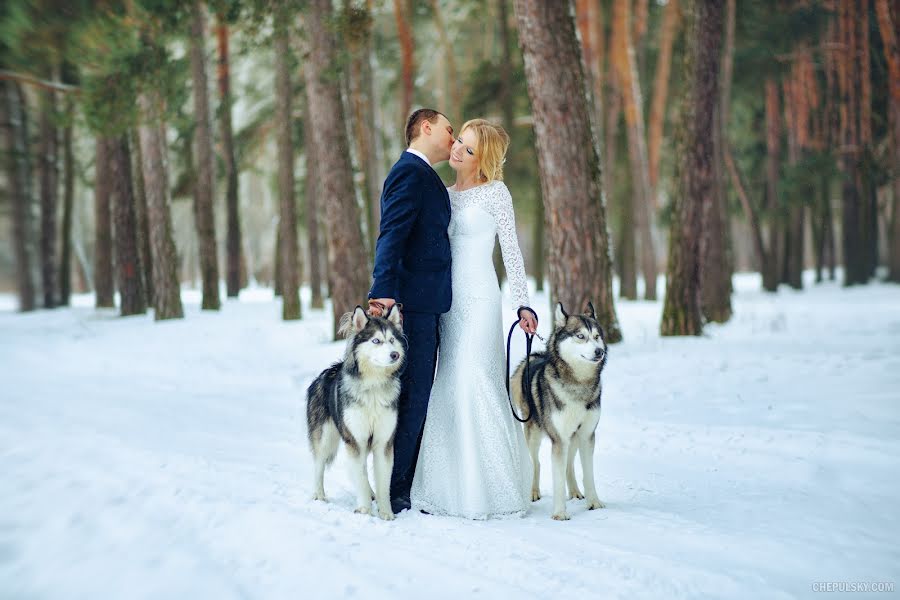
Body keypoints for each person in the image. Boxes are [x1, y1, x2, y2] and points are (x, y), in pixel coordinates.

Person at [410, 118, 538, 519]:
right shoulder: (443, 194)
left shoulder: (496, 194)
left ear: (481, 159)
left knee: (476, 380)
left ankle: (493, 490)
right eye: (457, 142)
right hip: (449, 302)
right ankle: (448, 489)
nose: (456, 151)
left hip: (481, 299)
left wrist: (524, 303)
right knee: (448, 382)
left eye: (466, 148)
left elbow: (512, 252)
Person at [368, 108, 456, 514]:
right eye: (448, 129)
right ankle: (396, 489)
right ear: (426, 127)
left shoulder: (427, 176)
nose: (453, 137)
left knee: (417, 394)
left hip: (429, 301)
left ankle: (403, 479)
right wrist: (383, 290)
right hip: (412, 304)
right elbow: (393, 232)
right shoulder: (409, 172)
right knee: (413, 395)